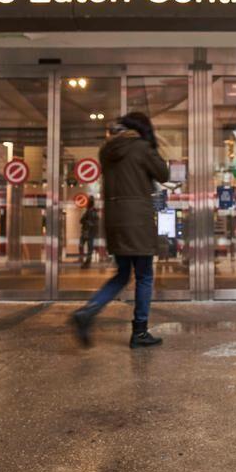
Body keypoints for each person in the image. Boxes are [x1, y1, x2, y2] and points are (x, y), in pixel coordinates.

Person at [72, 112, 170, 348]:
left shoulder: (107, 151)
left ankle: (89, 311)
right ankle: (139, 331)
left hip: (115, 220)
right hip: (137, 220)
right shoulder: (141, 147)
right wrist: (154, 146)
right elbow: (163, 174)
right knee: (144, 275)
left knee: (123, 274)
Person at [79, 195, 99, 268]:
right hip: (86, 232)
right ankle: (83, 260)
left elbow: (95, 223)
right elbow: (81, 220)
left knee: (89, 248)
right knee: (82, 246)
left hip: (90, 233)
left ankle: (87, 262)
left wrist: (89, 223)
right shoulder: (88, 211)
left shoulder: (93, 211)